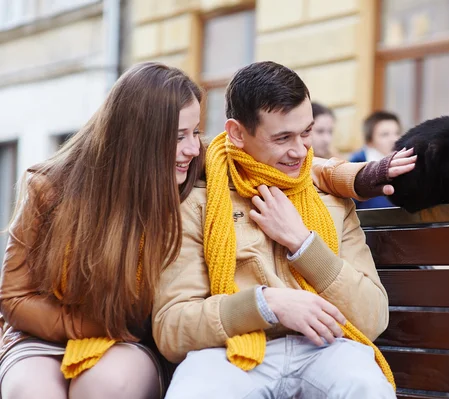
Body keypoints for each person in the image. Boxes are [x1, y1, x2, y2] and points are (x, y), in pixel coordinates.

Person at [0, 62, 413, 399]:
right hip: (68, 333)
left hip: (133, 340)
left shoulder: (199, 170)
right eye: (179, 135)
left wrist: (353, 185)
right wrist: (87, 327)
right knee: (34, 393)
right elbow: (13, 296)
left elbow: (293, 166)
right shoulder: (62, 186)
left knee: (107, 384)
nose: (194, 146)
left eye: (195, 132)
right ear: (138, 140)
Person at [152, 61, 411, 399]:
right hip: (231, 351)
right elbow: (172, 328)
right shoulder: (198, 197)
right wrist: (265, 305)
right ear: (237, 133)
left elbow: (373, 317)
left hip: (326, 348)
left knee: (365, 386)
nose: (300, 151)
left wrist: (303, 244)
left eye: (306, 133)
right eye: (282, 138)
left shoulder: (329, 195)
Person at [349, 111, 406, 209]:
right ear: (370, 141)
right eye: (385, 134)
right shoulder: (356, 165)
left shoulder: (405, 163)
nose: (394, 139)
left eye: (397, 133)